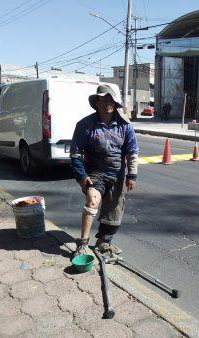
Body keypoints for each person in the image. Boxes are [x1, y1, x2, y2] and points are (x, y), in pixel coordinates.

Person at [70, 84, 139, 258]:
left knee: (114, 210)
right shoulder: (85, 125)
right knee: (92, 201)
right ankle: (82, 244)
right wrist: (81, 176)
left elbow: (132, 152)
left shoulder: (125, 125)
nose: (107, 102)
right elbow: (76, 153)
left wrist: (132, 175)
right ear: (97, 102)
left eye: (111, 99)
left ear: (115, 102)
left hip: (117, 174)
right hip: (95, 173)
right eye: (103, 99)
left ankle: (103, 242)